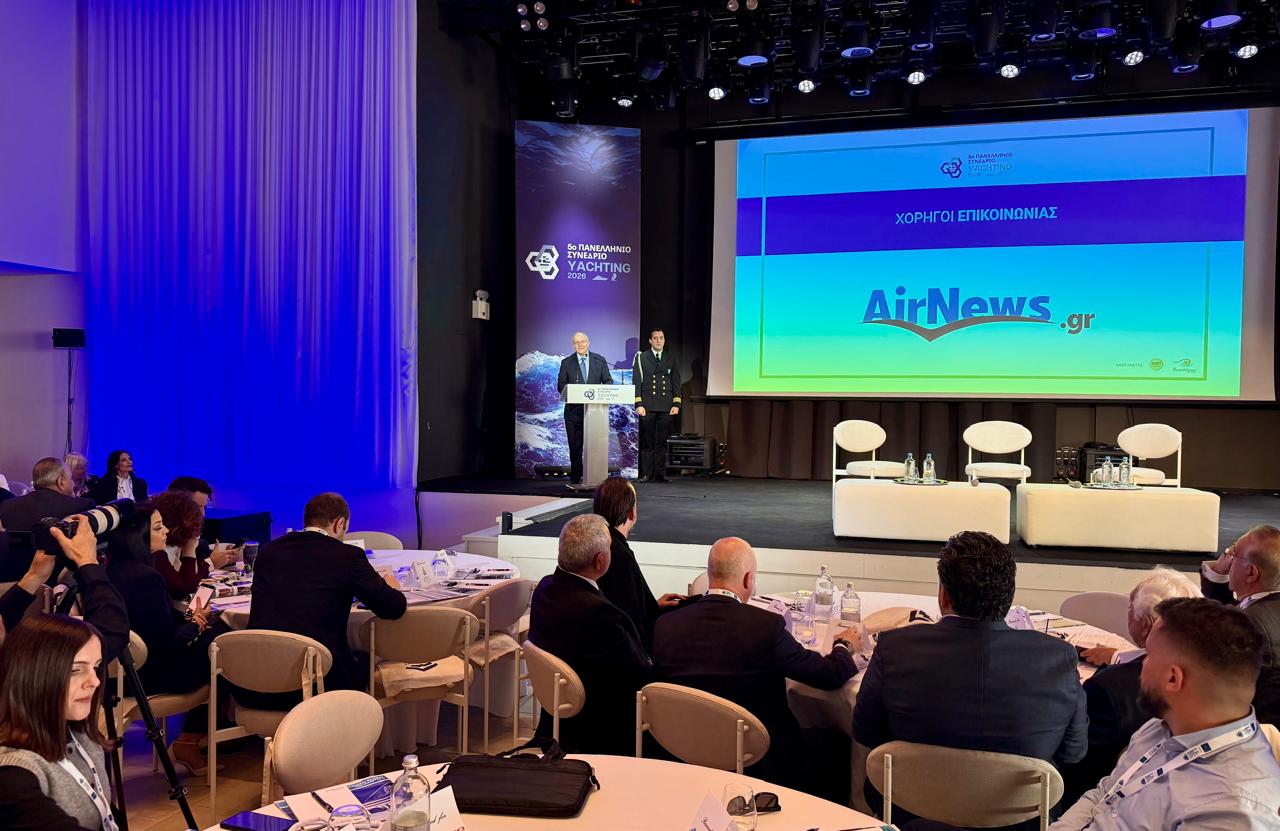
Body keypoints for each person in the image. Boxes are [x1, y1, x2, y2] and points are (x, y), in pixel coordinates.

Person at [852, 531, 1086, 821]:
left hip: (910, 812)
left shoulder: (895, 648)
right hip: (1018, 820)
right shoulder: (1058, 658)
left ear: (944, 595)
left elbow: (866, 732)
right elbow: (1074, 752)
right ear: (1009, 596)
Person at [1051, 597, 1280, 830]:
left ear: (1173, 678)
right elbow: (1104, 795)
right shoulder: (1162, 726)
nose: (1141, 664)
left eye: (1148, 655)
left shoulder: (1229, 810)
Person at [653, 537, 857, 796]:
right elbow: (828, 675)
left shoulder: (665, 625)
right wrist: (844, 646)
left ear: (710, 574)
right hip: (757, 759)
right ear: (749, 579)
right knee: (836, 743)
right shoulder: (766, 627)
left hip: (681, 751)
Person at [1059, 567, 1202, 809]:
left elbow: (1075, 757)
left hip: (1103, 801)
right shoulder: (1210, 678)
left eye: (1130, 607)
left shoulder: (1107, 689)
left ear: (1146, 625)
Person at [245, 493, 406, 701]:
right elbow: (393, 608)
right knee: (365, 659)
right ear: (339, 524)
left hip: (257, 684)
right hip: (318, 684)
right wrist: (392, 587)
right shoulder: (347, 556)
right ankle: (356, 720)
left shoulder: (269, 551)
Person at [527, 513, 652, 755]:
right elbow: (639, 676)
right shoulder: (600, 615)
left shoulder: (545, 588)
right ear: (600, 561)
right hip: (600, 731)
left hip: (558, 719)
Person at [105, 507, 218, 775]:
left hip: (120, 672)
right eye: (157, 527)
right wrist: (195, 625)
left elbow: (154, 623)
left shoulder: (112, 571)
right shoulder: (146, 577)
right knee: (224, 645)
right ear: (138, 536)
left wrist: (190, 620)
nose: (166, 530)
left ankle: (196, 739)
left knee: (215, 639)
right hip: (152, 676)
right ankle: (193, 739)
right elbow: (166, 644)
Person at [0, 614, 116, 831]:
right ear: (35, 676)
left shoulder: (82, 737)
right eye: (76, 670)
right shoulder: (12, 775)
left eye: (96, 667)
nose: (95, 681)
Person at [0, 518, 129, 664]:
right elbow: (109, 636)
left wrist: (34, 576)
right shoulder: (33, 667)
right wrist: (87, 562)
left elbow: (3, 618)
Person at [1200, 525, 1280, 725]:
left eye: (1232, 554)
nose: (1227, 559)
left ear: (1251, 573)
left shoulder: (1246, 624)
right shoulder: (1262, 608)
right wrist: (1218, 574)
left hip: (1248, 729)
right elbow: (1225, 610)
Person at [593, 477, 684, 649]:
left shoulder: (596, 545)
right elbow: (629, 622)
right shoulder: (617, 555)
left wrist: (649, 606)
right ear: (631, 513)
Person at [0, 458, 95, 581]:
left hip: (13, 582)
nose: (72, 483)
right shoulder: (82, 506)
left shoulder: (7, 505)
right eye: (70, 479)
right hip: (60, 583)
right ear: (61, 482)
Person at [150, 490, 236, 599]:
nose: (203, 514)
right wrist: (190, 550)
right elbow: (184, 589)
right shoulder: (158, 553)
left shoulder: (178, 546)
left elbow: (190, 581)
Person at [556, 331, 613, 485]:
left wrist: (600, 393)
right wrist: (574, 392)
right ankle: (576, 478)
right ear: (573, 345)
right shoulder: (566, 363)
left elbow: (608, 381)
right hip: (573, 413)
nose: (580, 344)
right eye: (577, 342)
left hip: (595, 413)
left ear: (588, 343)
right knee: (575, 448)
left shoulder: (599, 360)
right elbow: (561, 385)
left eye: (583, 341)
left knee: (595, 448)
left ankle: (596, 479)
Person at [632, 328, 681, 483]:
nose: (659, 340)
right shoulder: (642, 357)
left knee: (661, 442)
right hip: (647, 405)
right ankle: (646, 473)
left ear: (664, 340)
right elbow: (637, 381)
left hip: (666, 405)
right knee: (647, 442)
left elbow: (675, 381)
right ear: (650, 340)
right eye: (655, 338)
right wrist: (638, 403)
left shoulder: (670, 357)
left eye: (661, 338)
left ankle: (659, 474)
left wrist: (676, 403)